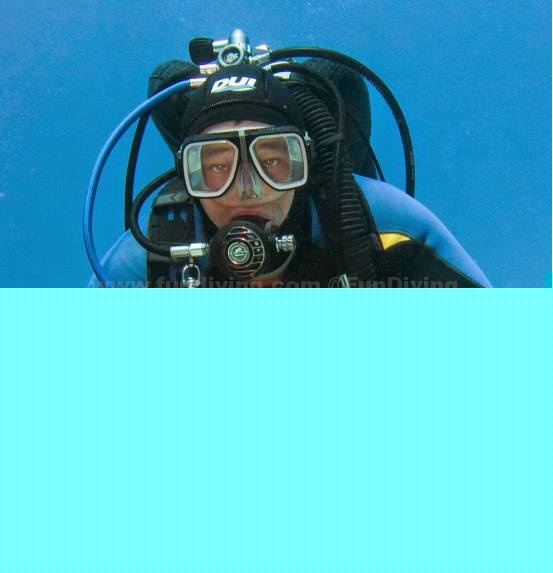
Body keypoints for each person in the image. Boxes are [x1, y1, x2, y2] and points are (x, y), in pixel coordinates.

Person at [88, 38, 491, 288]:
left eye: (272, 161)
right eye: (218, 167)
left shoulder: (383, 222)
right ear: (187, 174)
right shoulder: (153, 256)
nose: (246, 189)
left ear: (306, 162)